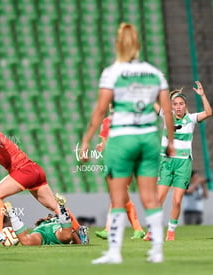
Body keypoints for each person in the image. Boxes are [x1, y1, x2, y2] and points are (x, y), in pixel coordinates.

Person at [80, 23, 175, 264]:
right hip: (148, 138)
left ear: (118, 44)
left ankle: (114, 252)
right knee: (150, 197)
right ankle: (157, 251)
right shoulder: (155, 73)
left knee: (118, 196)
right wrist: (171, 141)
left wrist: (86, 140)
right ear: (139, 44)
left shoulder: (112, 72)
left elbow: (101, 110)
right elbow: (167, 112)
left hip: (122, 138)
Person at [149, 83, 211, 241]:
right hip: (166, 162)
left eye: (181, 104)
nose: (178, 107)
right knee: (159, 199)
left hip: (183, 164)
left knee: (177, 200)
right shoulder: (166, 115)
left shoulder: (191, 119)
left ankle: (170, 232)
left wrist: (202, 95)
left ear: (185, 106)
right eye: (175, 104)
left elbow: (209, 112)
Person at [94, 115, 146, 240]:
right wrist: (102, 146)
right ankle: (138, 229)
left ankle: (109, 228)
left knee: (117, 194)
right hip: (113, 162)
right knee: (121, 196)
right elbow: (107, 142)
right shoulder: (106, 121)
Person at [3, 194, 89, 245]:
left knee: (26, 242)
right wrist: (81, 242)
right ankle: (61, 208)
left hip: (41, 232)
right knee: (67, 236)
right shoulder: (57, 223)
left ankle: (12, 213)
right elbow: (72, 233)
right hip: (55, 230)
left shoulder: (43, 224)